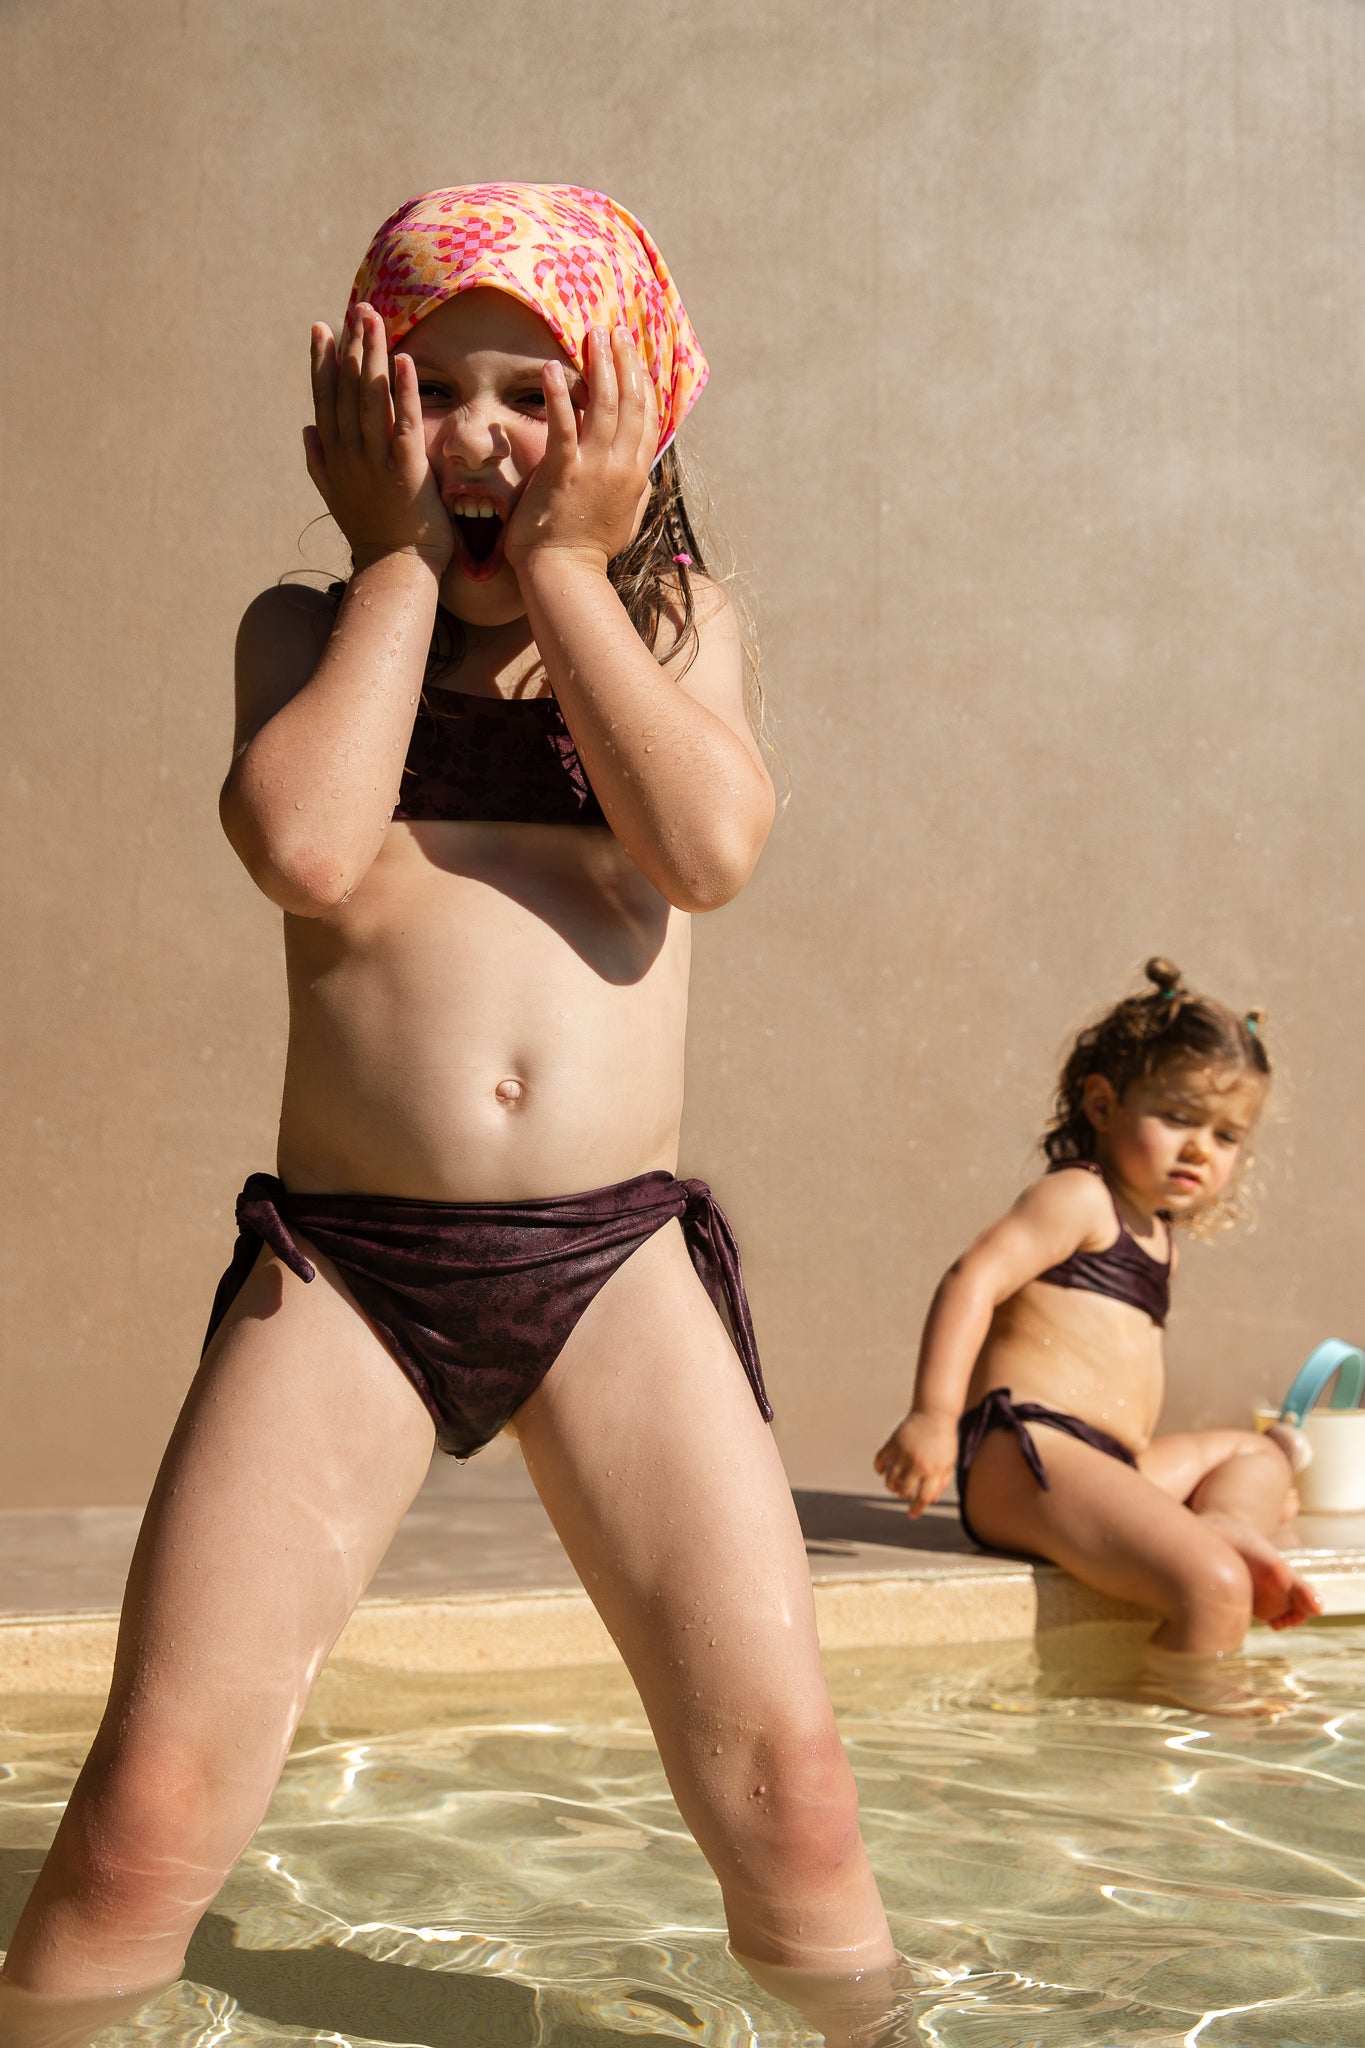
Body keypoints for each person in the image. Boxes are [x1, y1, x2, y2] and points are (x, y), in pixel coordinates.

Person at [1, 185, 901, 2047]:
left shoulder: (671, 629)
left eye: (533, 393)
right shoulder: (308, 633)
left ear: (631, 419)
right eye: (432, 390)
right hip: (351, 1267)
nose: (480, 434)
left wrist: (572, 567)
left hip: (610, 1265)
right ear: (364, 417)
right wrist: (398, 564)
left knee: (793, 1793)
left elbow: (710, 851)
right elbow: (307, 848)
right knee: (148, 1812)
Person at [875, 958, 1321, 1690]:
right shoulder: (1079, 1198)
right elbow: (972, 1279)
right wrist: (934, 1414)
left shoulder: (1161, 1239)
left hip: (1106, 1463)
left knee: (1259, 1454)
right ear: (1103, 1103)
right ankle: (1177, 1733)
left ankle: (1230, 1522)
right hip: (1029, 1450)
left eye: (1225, 1135)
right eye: (1178, 1118)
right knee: (1213, 1587)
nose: (1199, 1147)